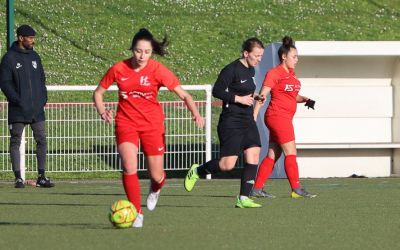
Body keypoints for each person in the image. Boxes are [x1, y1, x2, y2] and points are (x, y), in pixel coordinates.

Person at [93, 28, 204, 228]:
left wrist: (195, 113)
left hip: (152, 125)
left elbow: (184, 95)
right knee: (129, 166)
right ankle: (137, 213)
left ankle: (156, 187)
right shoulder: (118, 68)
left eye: (146, 52)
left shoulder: (157, 70)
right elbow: (98, 93)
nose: (142, 55)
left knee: (156, 175)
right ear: (132, 49)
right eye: (138, 51)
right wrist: (102, 111)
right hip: (126, 123)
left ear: (152, 52)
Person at [184, 38, 265, 208]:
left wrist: (255, 96)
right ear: (246, 54)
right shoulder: (231, 69)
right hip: (231, 121)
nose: (259, 59)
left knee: (254, 153)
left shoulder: (251, 70)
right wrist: (239, 99)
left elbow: (245, 90)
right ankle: (197, 171)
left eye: (261, 56)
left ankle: (243, 198)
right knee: (227, 165)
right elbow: (217, 91)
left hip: (247, 120)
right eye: (256, 55)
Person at [252, 36, 316, 198]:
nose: (297, 60)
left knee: (274, 154)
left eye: (297, 57)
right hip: (277, 117)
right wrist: (253, 116)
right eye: (294, 57)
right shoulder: (274, 73)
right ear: (284, 57)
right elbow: (263, 95)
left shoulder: (292, 75)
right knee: (291, 152)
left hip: (284, 118)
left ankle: (257, 188)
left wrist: (306, 99)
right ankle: (296, 189)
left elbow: (292, 96)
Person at [0, 24, 54, 189]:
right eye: (30, 38)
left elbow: (41, 80)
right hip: (18, 109)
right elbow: (5, 82)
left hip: (36, 109)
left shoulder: (35, 57)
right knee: (15, 140)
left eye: (33, 38)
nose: (32, 41)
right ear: (20, 38)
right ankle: (18, 178)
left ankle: (41, 176)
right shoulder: (9, 58)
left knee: (42, 140)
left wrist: (42, 98)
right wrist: (16, 100)